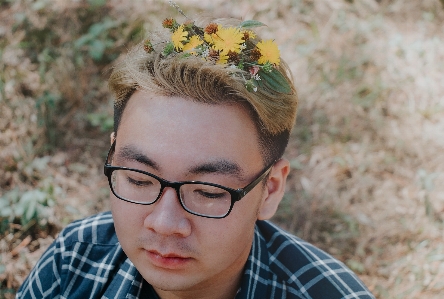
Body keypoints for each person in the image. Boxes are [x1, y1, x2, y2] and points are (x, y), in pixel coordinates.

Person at [17, 13, 375, 299]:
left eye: (208, 191)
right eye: (139, 179)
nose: (165, 223)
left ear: (271, 189)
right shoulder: (74, 262)